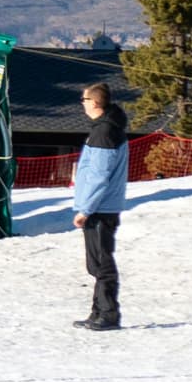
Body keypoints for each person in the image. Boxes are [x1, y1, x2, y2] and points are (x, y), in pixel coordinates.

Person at [73, 79, 128, 332]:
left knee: (102, 262)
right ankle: (98, 310)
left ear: (95, 103)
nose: (82, 105)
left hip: (100, 208)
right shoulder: (104, 128)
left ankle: (109, 313)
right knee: (95, 262)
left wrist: (86, 209)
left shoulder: (104, 132)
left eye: (84, 100)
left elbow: (99, 175)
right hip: (100, 206)